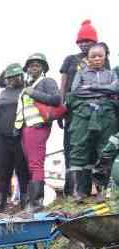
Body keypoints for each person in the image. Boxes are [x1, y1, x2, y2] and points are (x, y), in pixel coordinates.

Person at [68, 43, 119, 201]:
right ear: (88, 58)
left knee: (105, 150)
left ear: (105, 57)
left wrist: (90, 87)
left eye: (100, 56)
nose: (97, 59)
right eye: (93, 56)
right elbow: (76, 91)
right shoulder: (80, 73)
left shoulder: (111, 74)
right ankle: (78, 191)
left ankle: (101, 191)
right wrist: (104, 89)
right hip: (83, 115)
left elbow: (115, 89)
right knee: (79, 148)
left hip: (106, 115)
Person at [60, 20, 104, 197]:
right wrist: (61, 109)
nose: (84, 44)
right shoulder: (70, 60)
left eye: (88, 41)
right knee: (71, 147)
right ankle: (71, 190)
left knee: (92, 148)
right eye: (81, 41)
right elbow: (63, 86)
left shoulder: (101, 58)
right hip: (73, 111)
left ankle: (89, 189)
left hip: (94, 111)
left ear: (95, 42)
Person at [15, 53, 61, 211]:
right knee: (31, 164)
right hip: (26, 128)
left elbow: (56, 99)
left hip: (38, 127)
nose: (34, 67)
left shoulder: (47, 81)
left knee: (36, 164)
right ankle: (32, 202)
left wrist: (33, 93)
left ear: (43, 68)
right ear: (27, 69)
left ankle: (36, 204)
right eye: (31, 65)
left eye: (38, 64)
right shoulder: (29, 85)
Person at [0, 64, 28, 212]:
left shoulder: (26, 91)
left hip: (20, 138)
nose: (12, 80)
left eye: (15, 76)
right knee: (3, 173)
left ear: (21, 76)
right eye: (10, 77)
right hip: (2, 139)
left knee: (23, 172)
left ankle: (25, 206)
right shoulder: (3, 93)